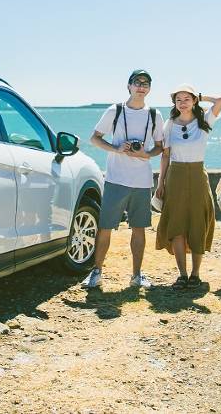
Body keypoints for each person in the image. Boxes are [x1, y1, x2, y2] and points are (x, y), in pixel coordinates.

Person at [84, 70, 165, 289]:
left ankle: (137, 275)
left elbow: (160, 146)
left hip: (142, 181)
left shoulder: (155, 115)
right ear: (129, 86)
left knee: (139, 228)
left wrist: (145, 154)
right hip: (116, 178)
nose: (141, 86)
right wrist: (118, 149)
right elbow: (94, 138)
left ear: (149, 88)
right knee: (105, 227)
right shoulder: (116, 110)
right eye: (137, 82)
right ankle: (96, 272)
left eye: (146, 83)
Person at [154, 85, 221, 288]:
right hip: (175, 175)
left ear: (194, 101)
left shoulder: (204, 121)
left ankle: (195, 275)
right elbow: (165, 156)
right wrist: (161, 182)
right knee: (177, 224)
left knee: (197, 222)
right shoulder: (169, 125)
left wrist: (200, 95)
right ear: (174, 104)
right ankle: (182, 275)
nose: (182, 102)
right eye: (178, 99)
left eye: (187, 98)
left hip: (197, 175)